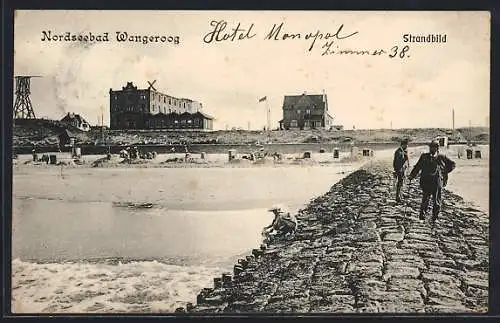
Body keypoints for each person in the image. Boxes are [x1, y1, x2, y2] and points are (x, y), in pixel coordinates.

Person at [408, 140, 456, 222]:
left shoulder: (441, 157)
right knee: (425, 200)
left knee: (437, 201)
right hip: (426, 182)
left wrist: (444, 171)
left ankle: (435, 218)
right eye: (431, 147)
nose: (432, 149)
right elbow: (417, 167)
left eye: (434, 147)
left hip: (437, 183)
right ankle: (422, 217)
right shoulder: (424, 156)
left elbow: (453, 164)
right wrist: (412, 176)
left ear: (437, 148)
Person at [393, 138, 410, 203]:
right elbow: (398, 162)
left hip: (402, 169)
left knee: (402, 183)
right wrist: (405, 158)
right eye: (406, 145)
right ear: (403, 145)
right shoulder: (399, 152)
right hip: (399, 169)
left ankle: (401, 194)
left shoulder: (402, 151)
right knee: (400, 183)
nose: (407, 146)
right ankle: (398, 197)